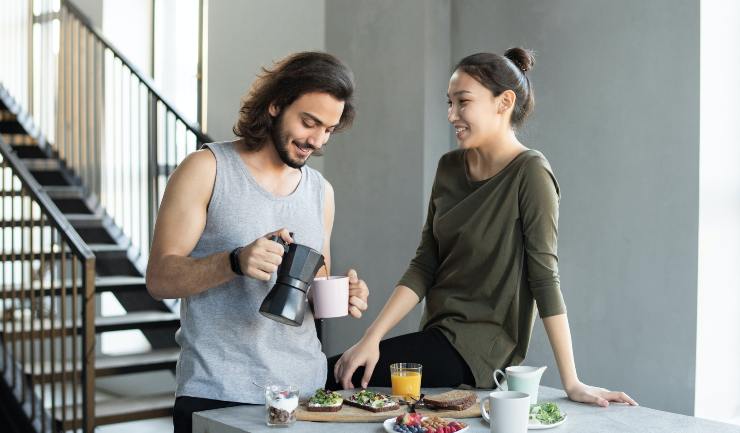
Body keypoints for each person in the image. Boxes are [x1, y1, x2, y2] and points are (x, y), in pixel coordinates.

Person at [328, 48, 636, 408]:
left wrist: (572, 381)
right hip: (438, 338)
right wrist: (372, 338)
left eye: (463, 102)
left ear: (504, 102)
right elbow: (424, 264)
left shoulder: (531, 173)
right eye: (449, 103)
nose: (451, 115)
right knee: (343, 371)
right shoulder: (448, 168)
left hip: (479, 354)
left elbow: (544, 278)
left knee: (333, 373)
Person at [145, 51, 370, 433]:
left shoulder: (321, 192)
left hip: (307, 394)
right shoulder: (207, 169)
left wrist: (344, 293)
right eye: (309, 122)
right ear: (275, 104)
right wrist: (234, 262)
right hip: (218, 393)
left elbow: (316, 285)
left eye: (328, 129)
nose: (316, 140)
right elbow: (159, 279)